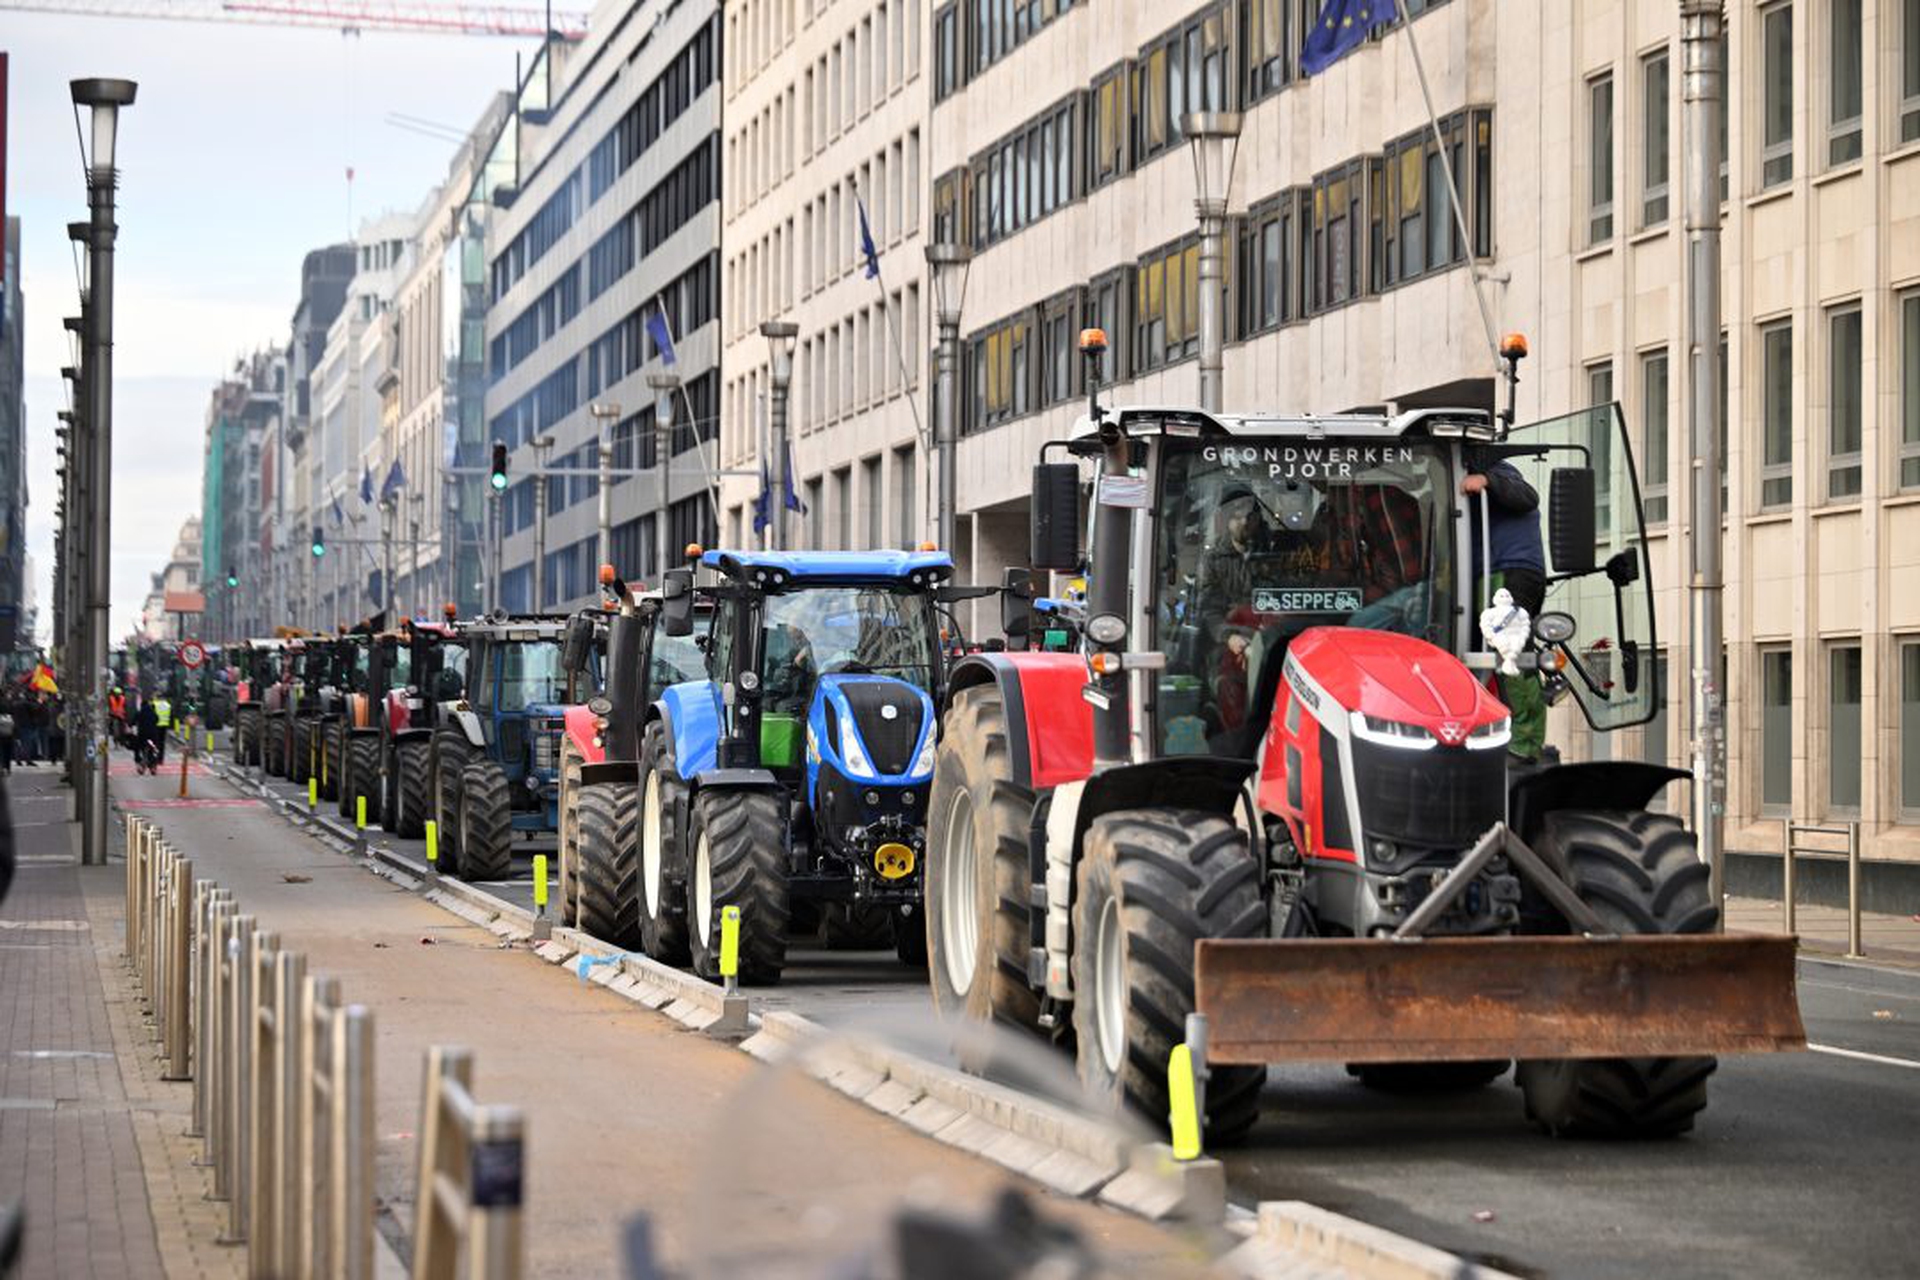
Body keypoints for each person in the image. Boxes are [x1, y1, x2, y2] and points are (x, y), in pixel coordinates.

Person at [1462, 450, 1547, 763]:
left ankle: (1525, 741)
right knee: (1476, 649)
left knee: (1509, 648)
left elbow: (1527, 496)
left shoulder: (1501, 472)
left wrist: (1486, 481)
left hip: (1509, 571)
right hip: (1489, 573)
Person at [132, 698, 161, 774]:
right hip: (153, 735)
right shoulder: (153, 713)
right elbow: (157, 720)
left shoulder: (139, 712)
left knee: (138, 748)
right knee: (153, 749)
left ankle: (140, 764)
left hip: (142, 735)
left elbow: (133, 722)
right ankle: (153, 766)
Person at [150, 694, 172, 766]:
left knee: (155, 743)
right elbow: (171, 716)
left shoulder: (155, 704)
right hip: (164, 726)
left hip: (156, 726)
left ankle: (154, 758)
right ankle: (160, 760)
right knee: (162, 743)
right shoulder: (168, 705)